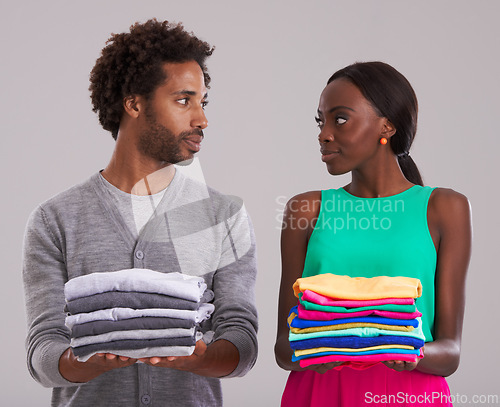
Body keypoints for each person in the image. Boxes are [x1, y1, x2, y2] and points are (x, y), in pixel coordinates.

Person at [22, 19, 258, 407]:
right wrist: (86, 362)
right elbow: (42, 351)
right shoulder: (55, 220)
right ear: (134, 103)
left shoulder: (223, 216)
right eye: (184, 100)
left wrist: (200, 358)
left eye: (203, 102)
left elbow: (242, 341)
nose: (201, 119)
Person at [274, 61, 471, 406]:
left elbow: (450, 351)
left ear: (387, 125)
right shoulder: (304, 210)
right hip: (319, 394)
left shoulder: (445, 208)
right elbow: (283, 348)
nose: (323, 133)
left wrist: (406, 353)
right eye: (321, 121)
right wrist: (323, 351)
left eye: (340, 118)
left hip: (408, 395)